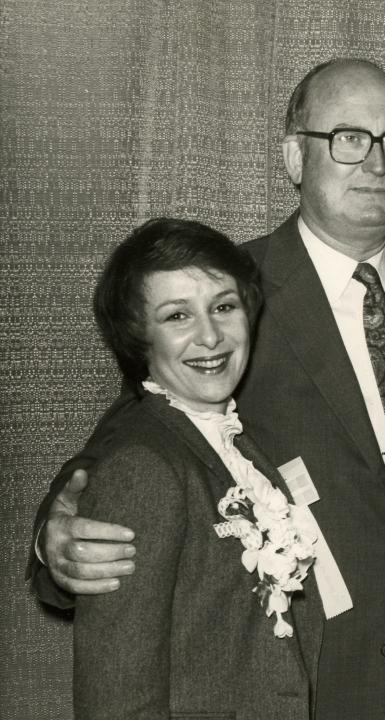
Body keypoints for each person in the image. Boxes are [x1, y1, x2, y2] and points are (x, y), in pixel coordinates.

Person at [31, 58, 385, 720]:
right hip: (300, 670)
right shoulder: (228, 295)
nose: (378, 163)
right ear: (294, 158)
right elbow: (136, 429)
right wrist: (59, 532)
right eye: (349, 138)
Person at [73, 218, 318, 718]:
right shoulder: (142, 465)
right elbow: (116, 694)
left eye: (224, 307)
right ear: (139, 337)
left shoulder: (237, 444)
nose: (210, 336)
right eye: (177, 316)